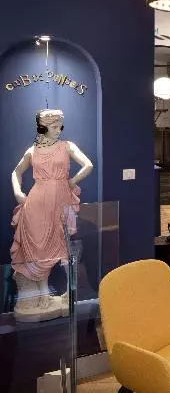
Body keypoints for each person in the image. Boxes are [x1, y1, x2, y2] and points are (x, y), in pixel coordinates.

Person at [10, 109, 93, 322]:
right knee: (39, 248)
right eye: (55, 127)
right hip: (36, 203)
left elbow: (88, 165)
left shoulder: (67, 146)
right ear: (43, 127)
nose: (59, 130)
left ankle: (69, 291)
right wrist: (18, 193)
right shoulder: (32, 151)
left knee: (65, 246)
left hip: (61, 202)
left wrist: (72, 181)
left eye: (60, 126)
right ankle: (44, 293)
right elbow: (16, 172)